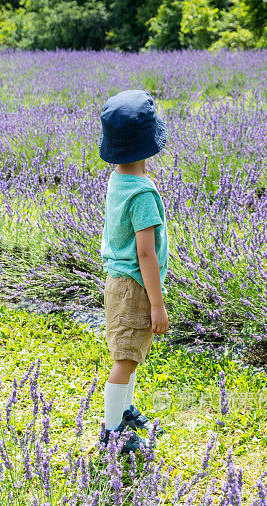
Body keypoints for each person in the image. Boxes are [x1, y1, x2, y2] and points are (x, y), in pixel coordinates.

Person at [99, 89, 170, 453]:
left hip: (118, 282)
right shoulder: (142, 194)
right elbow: (146, 254)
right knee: (125, 360)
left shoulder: (118, 180)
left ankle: (123, 411)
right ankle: (111, 436)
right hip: (134, 287)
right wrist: (157, 305)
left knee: (132, 353)